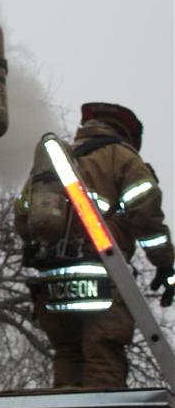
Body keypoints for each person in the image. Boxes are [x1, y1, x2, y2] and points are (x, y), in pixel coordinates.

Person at [15, 103, 174, 387]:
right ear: (127, 133)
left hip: (54, 279)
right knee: (103, 352)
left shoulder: (50, 166)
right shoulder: (121, 157)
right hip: (101, 271)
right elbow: (147, 216)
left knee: (67, 353)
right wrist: (164, 263)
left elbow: (22, 220)